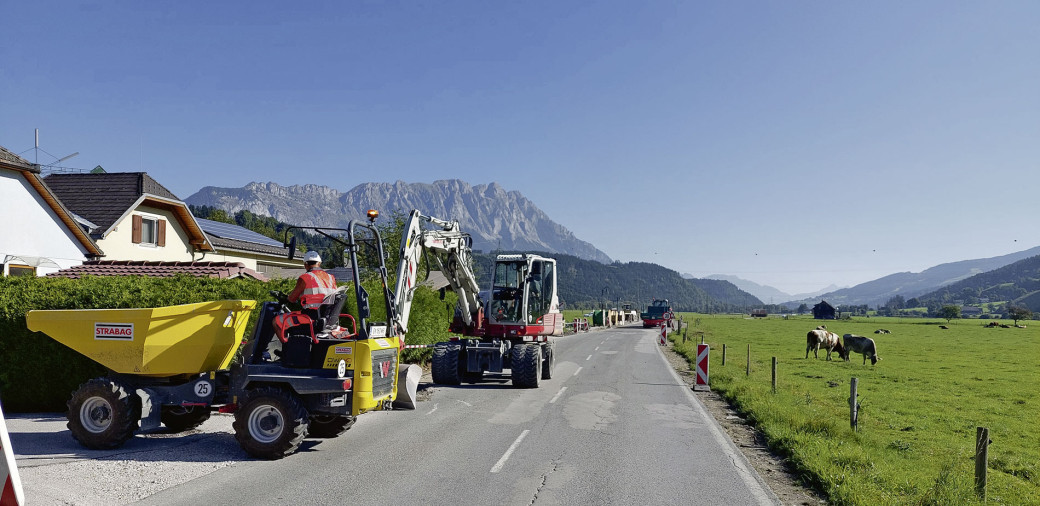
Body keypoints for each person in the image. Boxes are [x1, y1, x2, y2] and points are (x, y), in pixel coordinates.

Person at [288, 251, 337, 317]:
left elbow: (292, 299)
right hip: (329, 317)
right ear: (319, 263)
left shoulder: (305, 277)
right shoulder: (331, 278)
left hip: (311, 317)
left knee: (276, 321)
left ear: (305, 264)